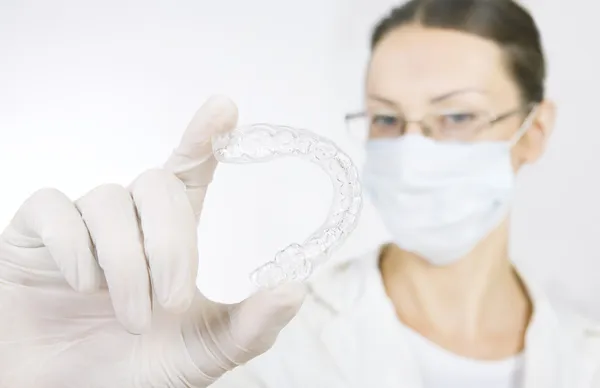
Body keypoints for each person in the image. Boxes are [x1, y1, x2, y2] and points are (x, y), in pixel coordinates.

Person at [1, 0, 598, 387]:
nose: (414, 150)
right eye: (386, 120)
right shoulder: (263, 349)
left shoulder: (587, 356)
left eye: (458, 116)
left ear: (533, 131)